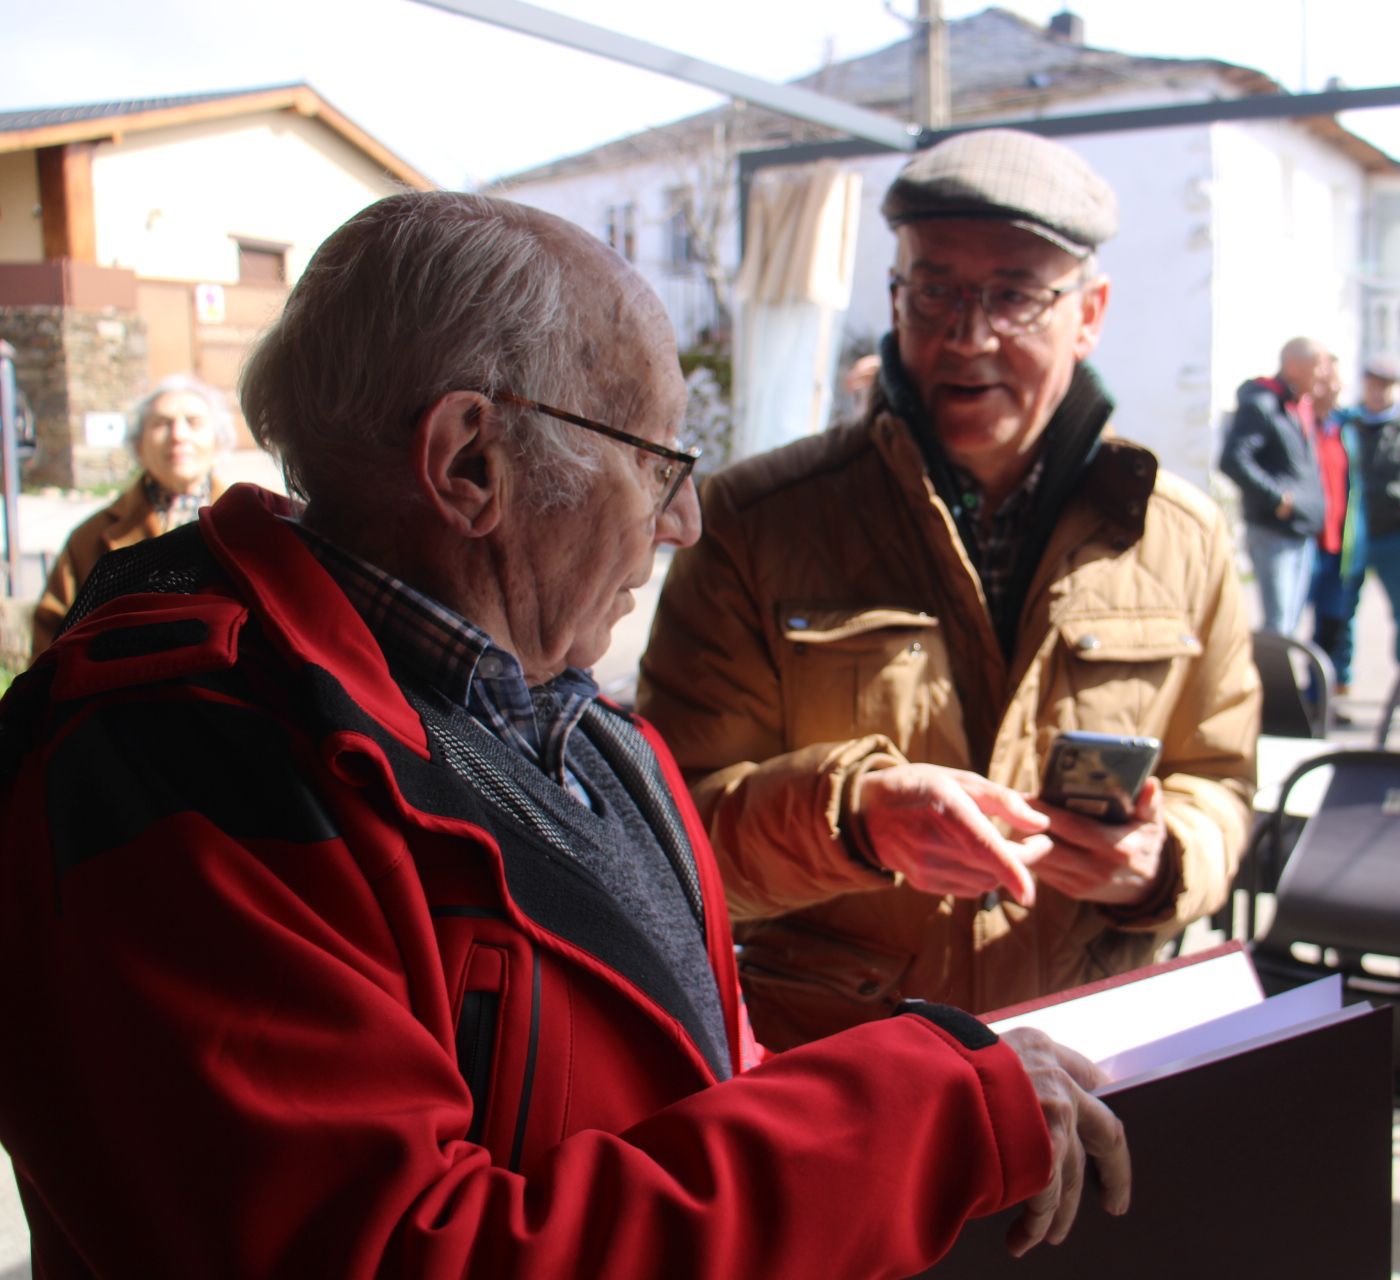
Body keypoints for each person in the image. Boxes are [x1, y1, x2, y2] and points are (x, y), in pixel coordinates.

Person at [0, 191, 1130, 1277]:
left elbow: (700, 1090)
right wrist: (925, 1112)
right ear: (468, 463)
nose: (682, 520)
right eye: (656, 460)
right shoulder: (173, 766)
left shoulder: (575, 728)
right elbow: (408, 1250)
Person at [637, 129, 1258, 1051]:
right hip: (844, 1080)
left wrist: (1164, 863)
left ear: (1090, 312)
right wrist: (853, 820)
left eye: (1013, 295)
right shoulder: (751, 525)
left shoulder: (1183, 537)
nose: (967, 336)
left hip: (1094, 1067)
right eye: (935, 290)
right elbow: (671, 842)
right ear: (896, 296)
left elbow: (1219, 784)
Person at [31, 373, 232, 655]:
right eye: (162, 424)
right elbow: (50, 640)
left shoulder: (249, 527)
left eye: (194, 423)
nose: (178, 435)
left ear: (219, 442)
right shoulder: (89, 538)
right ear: (138, 446)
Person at [1221, 336, 1328, 635]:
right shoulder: (1262, 403)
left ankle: (1284, 682)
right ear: (1294, 366)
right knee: (1278, 627)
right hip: (1274, 530)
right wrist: (1276, 498)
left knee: (1290, 625)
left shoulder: (1296, 407)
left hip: (1299, 529)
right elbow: (1233, 460)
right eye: (1317, 366)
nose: (1323, 374)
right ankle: (1270, 682)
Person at [1343, 360, 1400, 710]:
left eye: (1387, 385)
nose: (1379, 391)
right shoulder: (1348, 425)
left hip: (1398, 535)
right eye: (1373, 384)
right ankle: (1340, 679)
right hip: (1355, 535)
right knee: (1344, 611)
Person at [1306, 355, 1361, 706]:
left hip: (1338, 543)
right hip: (1305, 540)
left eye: (1338, 382)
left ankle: (1318, 698)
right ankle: (1280, 704)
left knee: (1332, 623)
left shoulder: (1347, 428)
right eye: (1327, 381)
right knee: (1288, 624)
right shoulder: (1298, 421)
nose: (1334, 388)